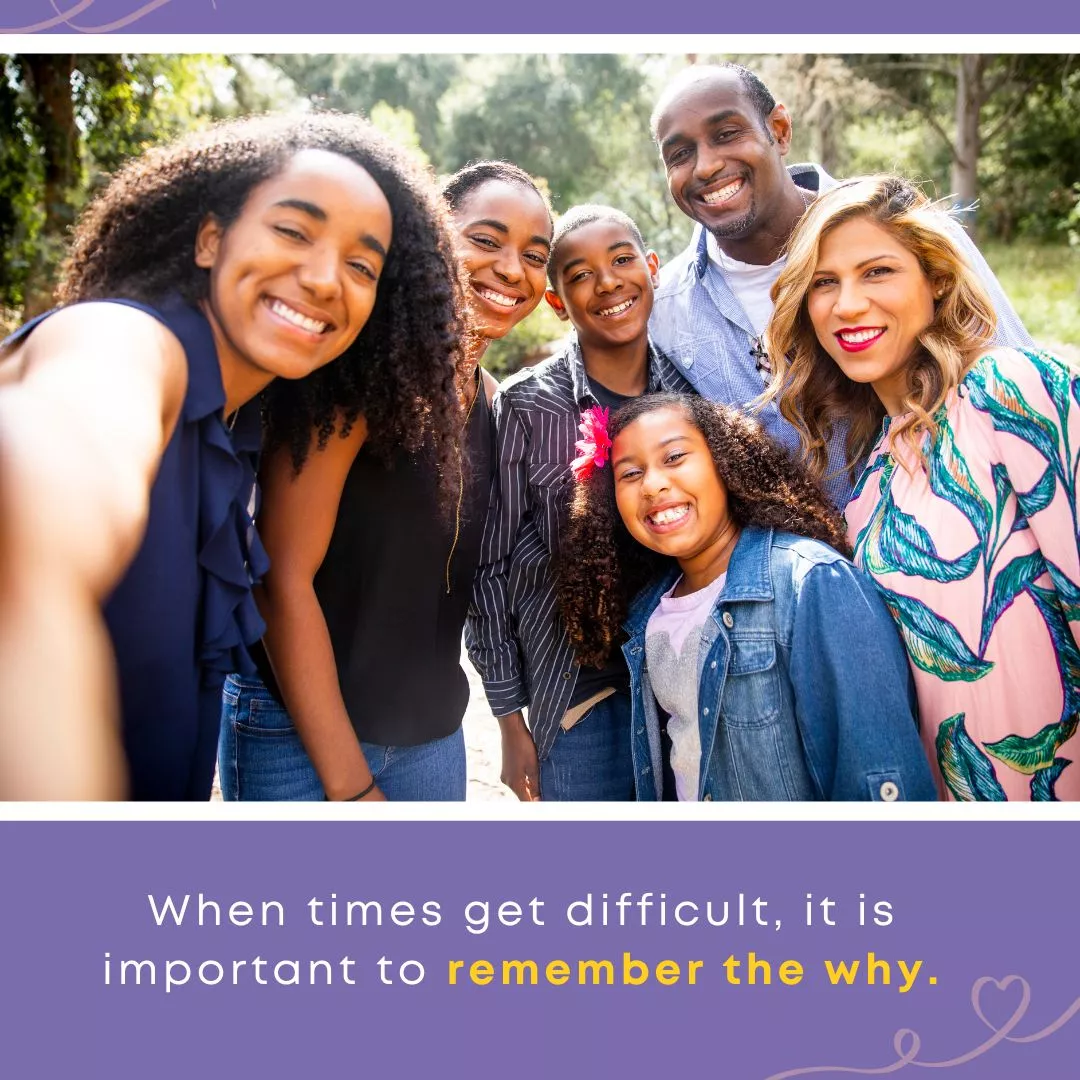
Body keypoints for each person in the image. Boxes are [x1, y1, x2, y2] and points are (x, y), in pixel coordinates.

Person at [0, 111, 459, 801]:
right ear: (211, 237)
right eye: (293, 230)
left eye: (362, 265)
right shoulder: (124, 341)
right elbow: (42, 478)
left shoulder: (236, 427)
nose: (326, 277)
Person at [219, 161, 552, 802]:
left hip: (431, 740)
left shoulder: (493, 402)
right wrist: (351, 788)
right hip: (297, 735)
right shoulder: (357, 380)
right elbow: (278, 580)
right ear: (430, 241)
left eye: (534, 255)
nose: (513, 269)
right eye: (485, 240)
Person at [766, 174, 1080, 801]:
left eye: (877, 271)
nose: (847, 305)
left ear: (935, 278)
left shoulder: (1011, 390)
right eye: (824, 283)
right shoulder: (870, 485)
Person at [647, 62, 1033, 507]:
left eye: (727, 133)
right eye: (679, 154)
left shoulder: (906, 232)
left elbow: (1022, 402)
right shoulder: (667, 309)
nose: (706, 166)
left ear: (780, 129)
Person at [556, 392, 937, 801]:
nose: (653, 485)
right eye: (630, 474)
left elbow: (879, 779)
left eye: (674, 458)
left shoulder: (810, 582)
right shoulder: (648, 614)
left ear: (724, 461)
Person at [467, 205, 693, 801]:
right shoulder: (524, 407)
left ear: (652, 268)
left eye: (622, 260)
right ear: (556, 301)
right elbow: (488, 566)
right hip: (577, 704)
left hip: (687, 689)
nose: (609, 281)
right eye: (581, 273)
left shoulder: (692, 403)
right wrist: (510, 720)